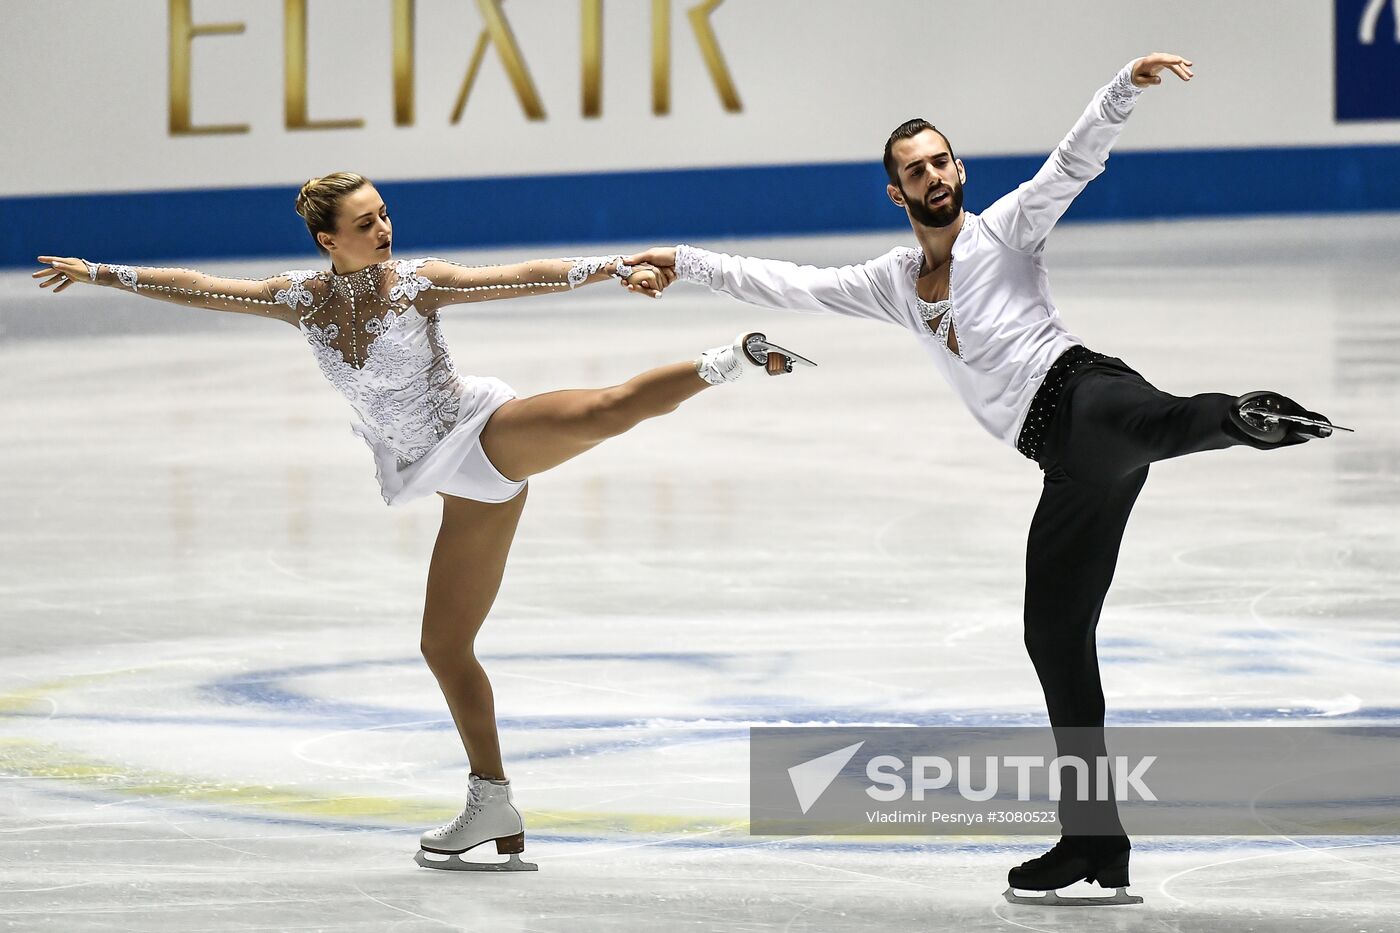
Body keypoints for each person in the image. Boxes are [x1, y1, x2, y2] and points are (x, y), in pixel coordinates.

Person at [628, 54, 1349, 905]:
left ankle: (1238, 416)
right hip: (1068, 467)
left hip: (1084, 393)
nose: (933, 174)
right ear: (897, 195)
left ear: (959, 170)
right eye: (915, 170)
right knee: (1053, 634)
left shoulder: (1004, 229)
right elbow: (790, 283)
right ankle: (1095, 842)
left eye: (941, 160)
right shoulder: (895, 285)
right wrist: (685, 260)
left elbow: (1070, 167)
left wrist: (1122, 89)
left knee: (1150, 423)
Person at [31, 171, 815, 872]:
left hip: (478, 433)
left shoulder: (415, 284)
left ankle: (732, 359)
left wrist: (609, 268)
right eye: (366, 222)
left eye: (385, 214)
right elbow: (201, 286)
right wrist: (100, 272)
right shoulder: (301, 300)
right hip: (455, 483)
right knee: (444, 645)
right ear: (326, 239)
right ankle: (493, 800)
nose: (384, 229)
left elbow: (516, 277)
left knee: (603, 409)